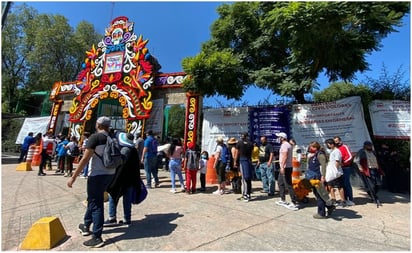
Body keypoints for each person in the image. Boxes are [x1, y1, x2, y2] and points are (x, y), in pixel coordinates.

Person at [67, 116, 116, 248]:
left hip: (97, 175)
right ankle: (86, 224)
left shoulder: (95, 138)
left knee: (96, 204)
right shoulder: (111, 138)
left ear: (98, 124)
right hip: (110, 174)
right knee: (93, 199)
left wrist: (73, 177)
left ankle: (97, 237)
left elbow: (84, 159)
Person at [105, 132, 141, 226]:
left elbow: (121, 165)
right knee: (127, 199)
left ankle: (112, 217)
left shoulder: (125, 150)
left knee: (113, 196)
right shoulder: (133, 150)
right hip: (130, 178)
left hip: (122, 178)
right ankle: (127, 218)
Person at [305, 141, 336, 219]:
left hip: (318, 177)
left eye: (311, 147)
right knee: (317, 194)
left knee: (320, 195)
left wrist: (323, 176)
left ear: (315, 147)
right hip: (313, 177)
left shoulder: (320, 154)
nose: (309, 148)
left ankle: (321, 213)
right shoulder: (313, 155)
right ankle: (330, 207)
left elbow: (323, 166)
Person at [353, 141, 384, 206]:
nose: (370, 146)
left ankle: (370, 193)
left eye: (370, 145)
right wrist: (360, 167)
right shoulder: (361, 152)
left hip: (376, 169)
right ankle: (375, 198)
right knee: (371, 185)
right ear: (365, 146)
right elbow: (356, 160)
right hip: (368, 170)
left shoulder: (373, 152)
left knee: (378, 184)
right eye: (368, 145)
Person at [275, 132, 299, 210]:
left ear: (282, 138)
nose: (277, 138)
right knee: (280, 182)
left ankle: (294, 202)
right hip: (284, 167)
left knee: (288, 184)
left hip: (286, 167)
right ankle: (282, 199)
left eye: (279, 137)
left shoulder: (285, 145)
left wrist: (282, 167)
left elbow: (285, 156)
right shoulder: (285, 145)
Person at [324, 138, 346, 207]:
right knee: (330, 185)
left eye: (328, 145)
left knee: (340, 186)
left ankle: (343, 200)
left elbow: (337, 161)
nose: (327, 146)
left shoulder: (337, 151)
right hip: (331, 172)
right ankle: (333, 198)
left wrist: (335, 171)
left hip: (337, 172)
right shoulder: (332, 151)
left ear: (331, 144)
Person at [334, 136, 355, 206]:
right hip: (339, 168)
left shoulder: (344, 147)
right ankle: (344, 199)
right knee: (341, 184)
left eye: (337, 141)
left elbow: (350, 156)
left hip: (346, 168)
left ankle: (351, 199)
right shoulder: (336, 149)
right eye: (335, 141)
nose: (336, 143)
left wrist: (344, 163)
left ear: (340, 140)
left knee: (347, 183)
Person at [234, 132, 254, 202]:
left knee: (244, 178)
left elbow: (236, 153)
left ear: (242, 136)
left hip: (242, 160)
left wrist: (235, 162)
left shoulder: (239, 143)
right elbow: (251, 153)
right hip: (248, 160)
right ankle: (248, 194)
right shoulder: (251, 144)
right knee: (248, 178)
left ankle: (245, 195)